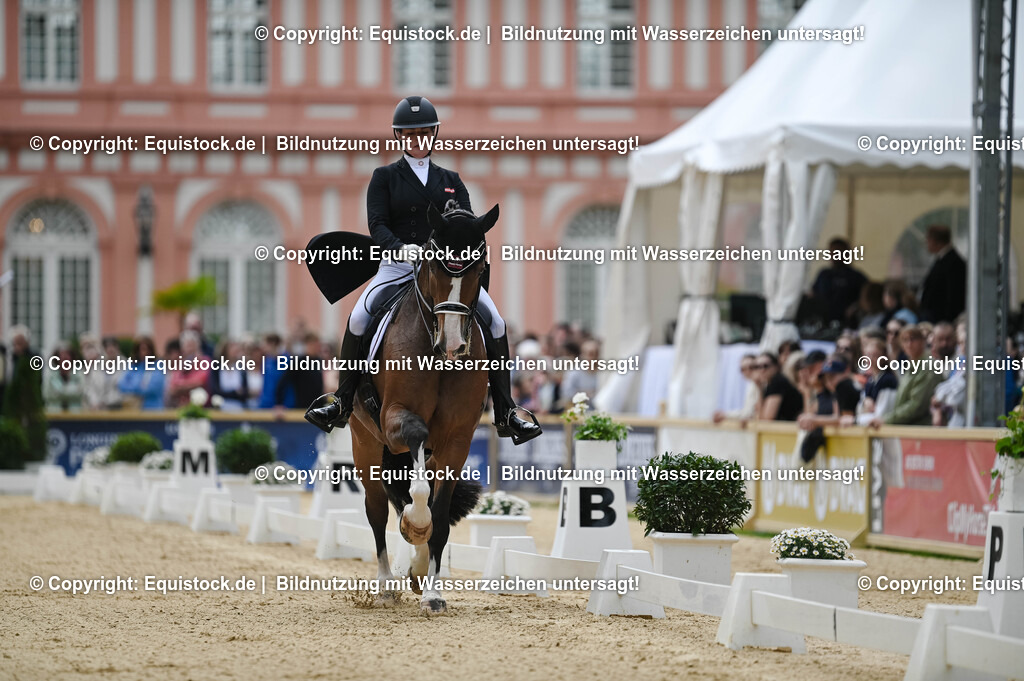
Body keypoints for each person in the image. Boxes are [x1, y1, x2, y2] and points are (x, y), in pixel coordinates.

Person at [305, 95, 541, 444]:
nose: (417, 139)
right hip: (396, 267)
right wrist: (400, 248)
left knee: (497, 322)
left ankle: (506, 410)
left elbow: (466, 225)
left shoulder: (450, 179)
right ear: (400, 137)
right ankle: (341, 401)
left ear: (433, 134)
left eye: (424, 132)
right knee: (358, 318)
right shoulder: (384, 176)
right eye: (410, 133)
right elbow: (377, 224)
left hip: (444, 272)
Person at [870, 325, 943, 427]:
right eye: (905, 340)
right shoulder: (911, 366)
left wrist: (887, 419)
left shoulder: (929, 366)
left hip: (923, 429)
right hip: (909, 428)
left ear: (922, 341)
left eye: (913, 339)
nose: (909, 344)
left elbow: (917, 405)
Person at [811, 238, 868, 324]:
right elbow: (813, 294)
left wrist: (857, 306)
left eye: (839, 252)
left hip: (847, 322)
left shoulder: (856, 276)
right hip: (822, 322)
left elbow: (870, 296)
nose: (835, 255)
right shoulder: (824, 274)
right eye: (832, 252)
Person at [919, 224, 967, 323]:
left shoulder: (953, 262)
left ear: (936, 241)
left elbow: (953, 294)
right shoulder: (942, 259)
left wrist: (947, 320)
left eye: (928, 240)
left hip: (940, 318)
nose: (926, 243)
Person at [117, 336, 165, 410]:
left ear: (151, 350)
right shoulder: (133, 366)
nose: (142, 353)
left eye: (144, 349)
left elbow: (153, 388)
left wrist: (134, 387)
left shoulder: (158, 366)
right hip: (135, 411)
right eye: (138, 350)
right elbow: (122, 384)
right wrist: (139, 387)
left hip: (153, 410)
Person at [753, 352, 803, 421]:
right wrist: (759, 388)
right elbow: (759, 416)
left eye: (765, 366)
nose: (762, 370)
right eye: (757, 367)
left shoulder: (778, 382)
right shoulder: (769, 384)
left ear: (776, 367)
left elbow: (767, 418)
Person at [44, 343, 84, 412]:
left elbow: (81, 392)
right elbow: (47, 394)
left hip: (75, 415)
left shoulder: (79, 373)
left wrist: (60, 391)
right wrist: (72, 390)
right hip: (54, 414)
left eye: (68, 354)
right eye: (62, 354)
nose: (65, 357)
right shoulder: (50, 374)